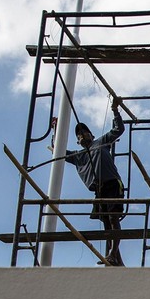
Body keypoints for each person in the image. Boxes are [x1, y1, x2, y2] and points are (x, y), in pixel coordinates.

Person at [65, 97, 127, 267]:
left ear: (91, 135)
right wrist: (56, 130)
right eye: (79, 135)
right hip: (99, 190)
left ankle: (113, 254)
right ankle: (116, 259)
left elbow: (118, 129)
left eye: (85, 132)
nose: (82, 135)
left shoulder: (101, 142)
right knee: (107, 223)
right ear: (78, 141)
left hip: (112, 184)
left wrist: (115, 110)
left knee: (113, 219)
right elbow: (59, 150)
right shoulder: (78, 156)